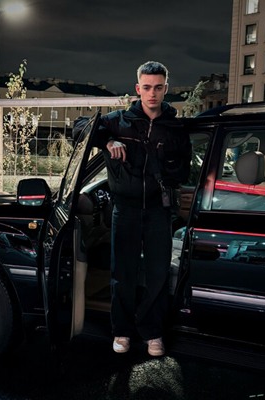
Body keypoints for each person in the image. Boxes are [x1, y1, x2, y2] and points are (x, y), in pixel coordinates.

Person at [94, 61, 192, 356]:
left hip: (159, 210)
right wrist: (108, 140)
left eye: (158, 87)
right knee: (122, 273)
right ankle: (122, 331)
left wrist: (168, 171)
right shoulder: (119, 121)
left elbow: (184, 170)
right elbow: (80, 129)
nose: (152, 93)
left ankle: (153, 334)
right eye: (147, 87)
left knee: (157, 274)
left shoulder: (175, 128)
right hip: (125, 208)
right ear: (138, 89)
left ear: (166, 89)